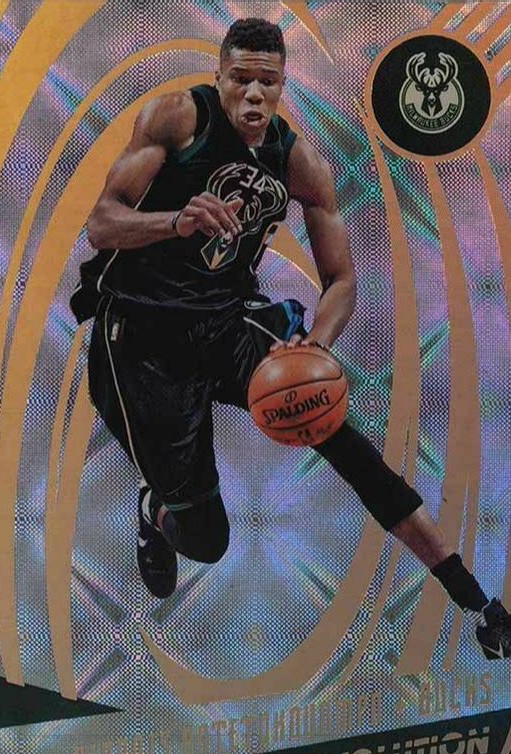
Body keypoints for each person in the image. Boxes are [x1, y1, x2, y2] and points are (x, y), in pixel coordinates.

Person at [71, 18, 511, 659]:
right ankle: (155, 513)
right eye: (240, 80)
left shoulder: (299, 161)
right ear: (220, 77)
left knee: (339, 433)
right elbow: (102, 224)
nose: (253, 95)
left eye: (267, 82)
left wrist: (315, 347)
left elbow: (341, 281)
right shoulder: (176, 118)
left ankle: (476, 600)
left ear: (282, 85)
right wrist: (174, 220)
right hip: (140, 335)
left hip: (224, 322)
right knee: (207, 540)